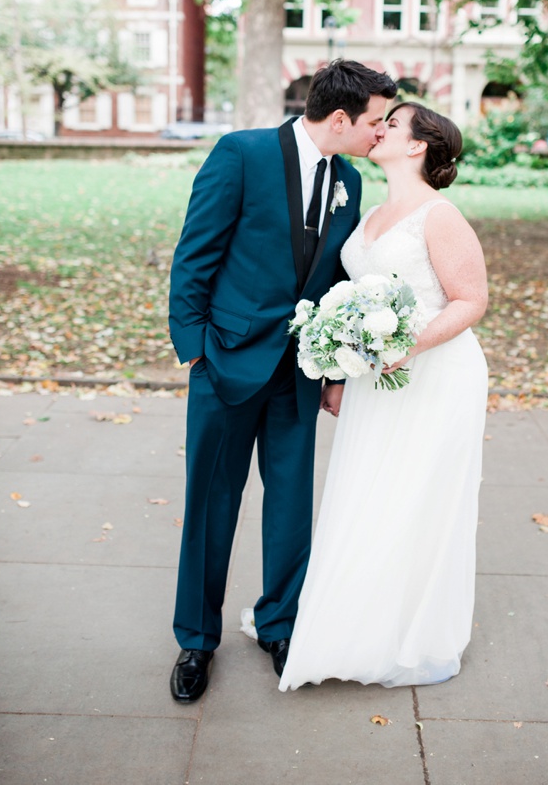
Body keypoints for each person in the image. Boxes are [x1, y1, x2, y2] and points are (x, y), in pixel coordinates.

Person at [167, 59, 395, 702]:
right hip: (225, 363)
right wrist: (193, 351)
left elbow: (333, 283)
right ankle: (195, 640)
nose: (380, 134)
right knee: (211, 507)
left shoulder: (348, 178)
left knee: (292, 507)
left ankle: (281, 626)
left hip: (300, 370)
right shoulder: (242, 154)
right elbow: (196, 253)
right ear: (343, 118)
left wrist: (334, 368)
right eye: (376, 122)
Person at [276, 102, 489, 690]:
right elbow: (349, 293)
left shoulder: (440, 217)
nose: (379, 129)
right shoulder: (370, 208)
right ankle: (352, 621)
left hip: (433, 372)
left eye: (392, 125)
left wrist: (405, 346)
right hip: (375, 374)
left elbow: (470, 301)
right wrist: (339, 366)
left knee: (414, 497)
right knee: (364, 490)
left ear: (418, 146)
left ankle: (405, 633)